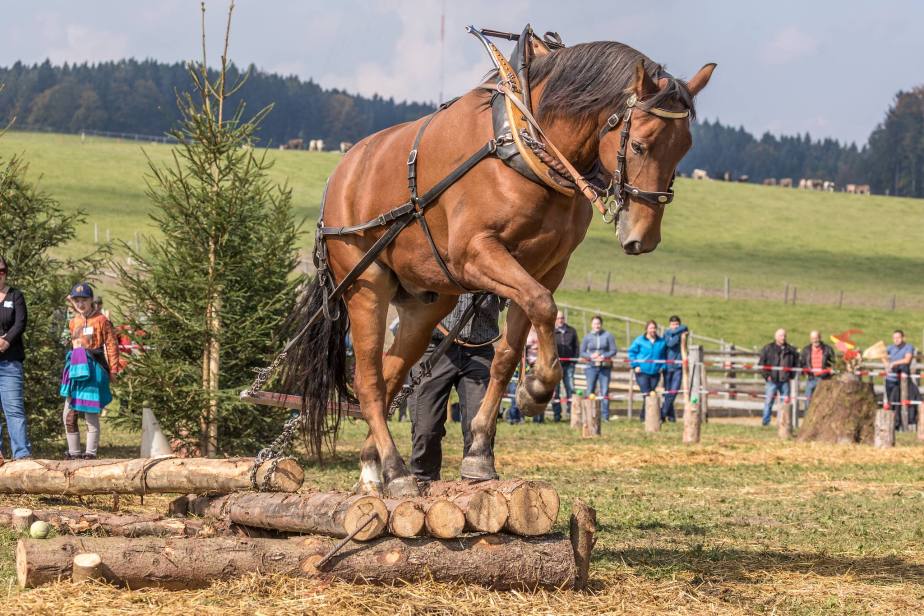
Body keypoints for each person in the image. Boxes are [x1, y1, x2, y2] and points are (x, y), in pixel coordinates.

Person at [408, 293, 502, 482]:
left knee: (480, 426)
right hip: (433, 346)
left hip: (480, 349)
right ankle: (423, 483)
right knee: (426, 428)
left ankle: (476, 486)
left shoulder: (499, 261)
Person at [60, 283, 120, 460]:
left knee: (90, 412)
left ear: (91, 300)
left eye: (84, 299)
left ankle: (90, 453)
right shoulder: (73, 321)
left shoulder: (101, 320)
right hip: (75, 370)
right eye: (77, 300)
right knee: (68, 413)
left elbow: (111, 345)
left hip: (93, 369)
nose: (80, 303)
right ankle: (74, 452)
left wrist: (114, 370)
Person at [0, 256, 31, 460]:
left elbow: (20, 323)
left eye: (2, 270)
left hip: (10, 363)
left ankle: (22, 456)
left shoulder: (16, 296)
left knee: (14, 410)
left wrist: (6, 341)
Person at [758, 328, 799, 426]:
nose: (783, 338)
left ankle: (782, 423)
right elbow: (761, 364)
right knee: (768, 402)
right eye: (781, 336)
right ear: (776, 337)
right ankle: (766, 422)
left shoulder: (791, 350)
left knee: (784, 404)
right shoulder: (768, 348)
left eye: (784, 336)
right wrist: (767, 376)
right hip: (772, 380)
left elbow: (796, 364)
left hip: (785, 381)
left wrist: (791, 376)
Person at [628, 320, 667, 422]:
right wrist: (635, 365)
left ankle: (645, 416)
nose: (653, 330)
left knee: (651, 394)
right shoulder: (639, 340)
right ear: (646, 329)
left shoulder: (661, 342)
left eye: (654, 328)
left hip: (655, 372)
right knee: (647, 394)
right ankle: (646, 417)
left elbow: (664, 356)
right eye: (651, 328)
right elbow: (632, 353)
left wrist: (662, 366)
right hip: (642, 371)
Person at [580, 316, 617, 420]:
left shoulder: (608, 335)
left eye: (598, 323)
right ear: (591, 325)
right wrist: (591, 356)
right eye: (595, 323)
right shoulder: (587, 337)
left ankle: (605, 416)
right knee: (590, 390)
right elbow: (582, 352)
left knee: (604, 391)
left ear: (601, 324)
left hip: (604, 367)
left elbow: (613, 350)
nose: (597, 325)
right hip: (591, 367)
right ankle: (588, 415)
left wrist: (603, 356)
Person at [885, 330, 917, 427]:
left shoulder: (908, 347)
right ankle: (892, 423)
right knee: (891, 401)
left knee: (900, 400)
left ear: (903, 338)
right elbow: (881, 353)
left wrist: (894, 363)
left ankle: (901, 423)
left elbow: (907, 360)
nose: (896, 340)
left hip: (901, 379)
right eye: (894, 338)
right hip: (890, 379)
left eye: (898, 337)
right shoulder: (890, 347)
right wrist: (886, 363)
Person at [552, 311, 579, 422]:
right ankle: (557, 416)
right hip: (556, 367)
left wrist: (573, 362)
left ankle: (571, 414)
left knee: (570, 389)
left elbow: (577, 348)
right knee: (555, 392)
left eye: (562, 318)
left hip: (569, 366)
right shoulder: (551, 332)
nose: (560, 320)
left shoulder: (572, 331)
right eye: (558, 318)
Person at [661, 316, 689, 422]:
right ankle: (671, 417)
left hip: (678, 366)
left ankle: (662, 413)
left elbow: (685, 327)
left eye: (677, 324)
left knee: (674, 391)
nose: (675, 326)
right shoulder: (667, 333)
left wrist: (676, 333)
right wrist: (678, 334)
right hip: (668, 366)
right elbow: (669, 343)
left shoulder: (681, 331)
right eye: (673, 324)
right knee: (668, 392)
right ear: (669, 325)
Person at [800, 330, 835, 400]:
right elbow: (802, 363)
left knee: (823, 400)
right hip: (811, 378)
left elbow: (833, 363)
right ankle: (807, 411)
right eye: (813, 338)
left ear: (820, 337)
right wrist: (805, 371)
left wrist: (830, 370)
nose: (815, 340)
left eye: (816, 338)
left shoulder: (828, 349)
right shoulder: (806, 350)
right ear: (810, 339)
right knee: (807, 400)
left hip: (824, 379)